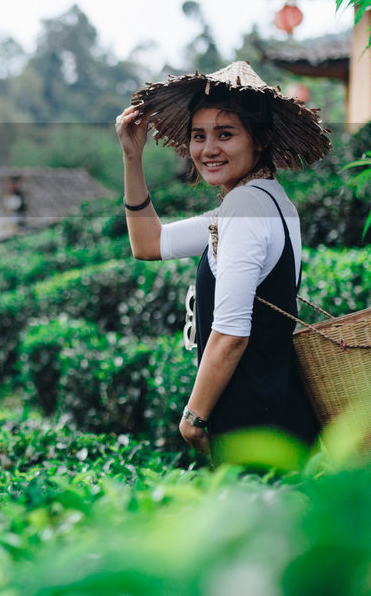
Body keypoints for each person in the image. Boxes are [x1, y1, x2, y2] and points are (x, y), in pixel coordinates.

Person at [114, 61, 331, 457]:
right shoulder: (267, 201)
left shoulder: (245, 207)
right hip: (279, 415)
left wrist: (193, 420)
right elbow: (149, 243)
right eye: (199, 136)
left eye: (225, 134)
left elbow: (231, 335)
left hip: (252, 428)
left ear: (259, 140)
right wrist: (133, 157)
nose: (208, 149)